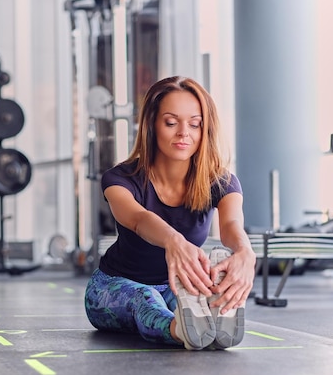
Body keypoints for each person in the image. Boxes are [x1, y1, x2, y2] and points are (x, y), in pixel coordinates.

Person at [84, 76, 256, 350]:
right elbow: (139, 219)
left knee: (200, 288)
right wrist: (173, 241)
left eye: (194, 124)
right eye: (171, 122)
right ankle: (180, 331)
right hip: (114, 286)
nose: (183, 133)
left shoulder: (221, 182)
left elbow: (232, 224)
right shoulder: (120, 179)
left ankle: (216, 312)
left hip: (177, 287)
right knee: (144, 298)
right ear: (152, 125)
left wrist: (245, 252)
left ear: (205, 129)